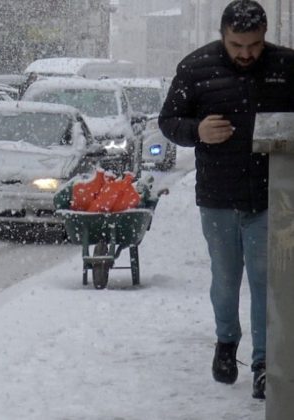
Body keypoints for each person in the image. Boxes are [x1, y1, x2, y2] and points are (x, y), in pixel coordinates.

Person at [159, 0, 294, 400]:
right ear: (223, 36)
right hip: (218, 196)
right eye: (237, 45)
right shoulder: (195, 68)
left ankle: (264, 364)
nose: (246, 53)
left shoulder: (286, 67)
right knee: (225, 277)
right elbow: (168, 122)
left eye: (254, 45)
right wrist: (197, 130)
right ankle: (226, 341)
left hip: (274, 195)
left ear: (265, 37)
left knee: (266, 282)